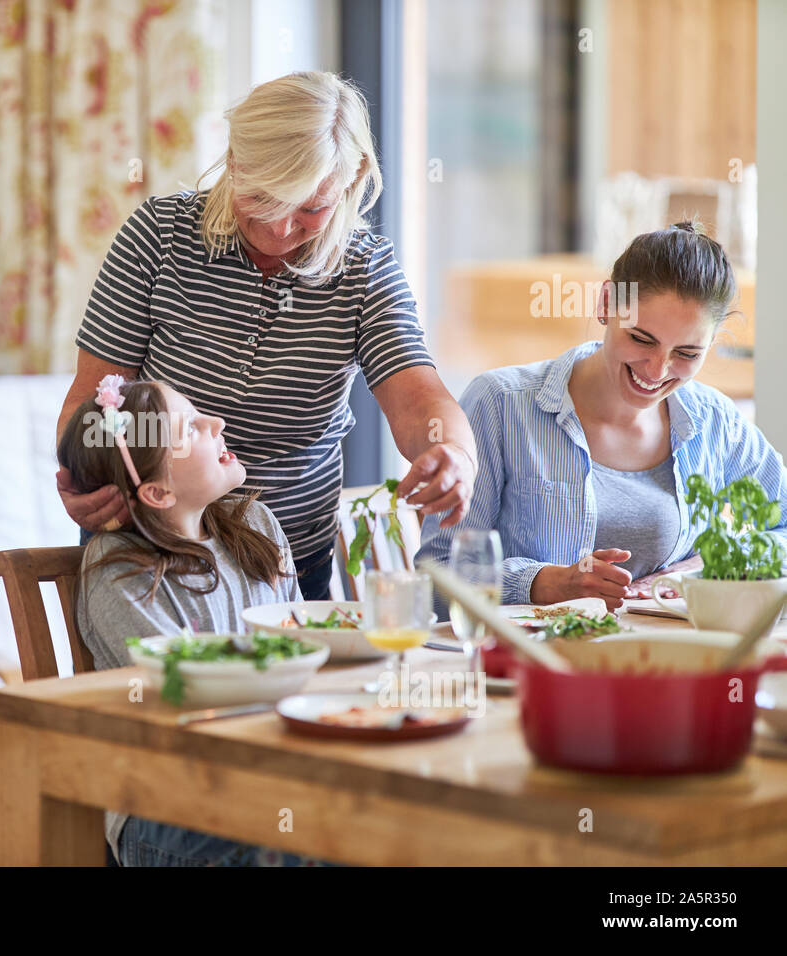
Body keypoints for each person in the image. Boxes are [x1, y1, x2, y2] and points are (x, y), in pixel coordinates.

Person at [55, 71, 477, 601]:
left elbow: (420, 397)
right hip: (147, 556)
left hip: (288, 569)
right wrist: (84, 471)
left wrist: (451, 453)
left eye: (309, 208)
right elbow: (91, 401)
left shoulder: (364, 270)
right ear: (233, 162)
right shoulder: (157, 237)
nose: (279, 229)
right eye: (262, 197)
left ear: (352, 181)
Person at [418, 222, 787, 610]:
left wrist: (701, 568)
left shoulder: (716, 421)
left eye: (687, 354)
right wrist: (542, 584)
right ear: (606, 304)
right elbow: (436, 576)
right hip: (533, 664)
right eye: (641, 339)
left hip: (673, 657)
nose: (657, 370)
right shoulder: (500, 404)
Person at [59, 375, 330, 865]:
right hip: (168, 807)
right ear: (159, 492)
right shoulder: (120, 570)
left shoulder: (257, 527)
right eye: (190, 427)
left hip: (268, 777)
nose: (217, 422)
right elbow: (180, 694)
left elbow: (301, 641)